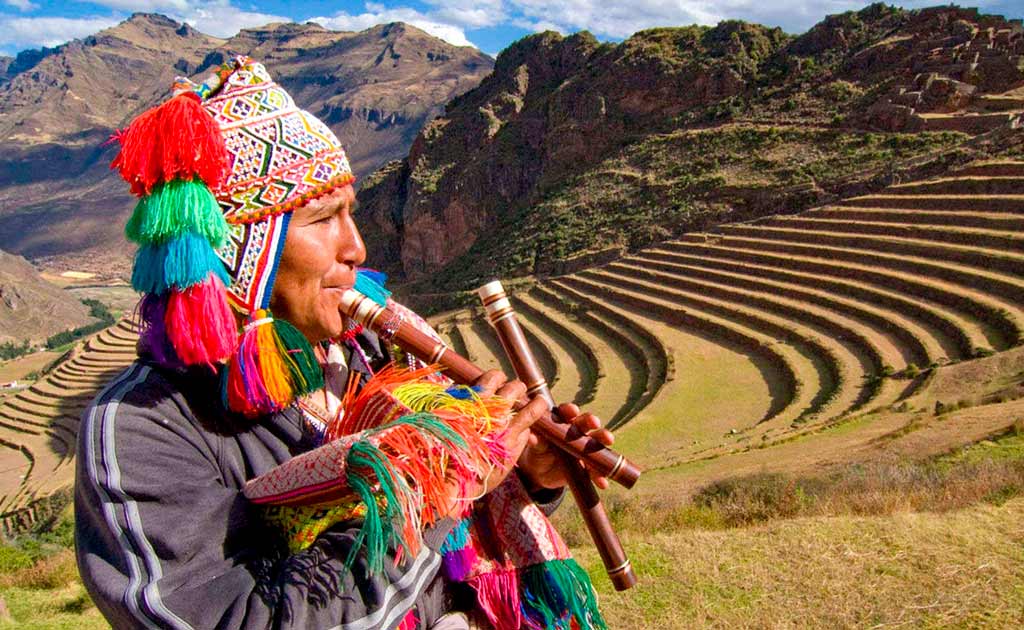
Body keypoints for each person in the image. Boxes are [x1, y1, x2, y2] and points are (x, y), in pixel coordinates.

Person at [74, 56, 613, 629]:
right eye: (323, 219)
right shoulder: (143, 429)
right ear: (244, 255)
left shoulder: (377, 352)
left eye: (350, 214)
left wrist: (525, 470)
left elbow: (452, 550)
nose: (356, 248)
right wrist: (438, 483)